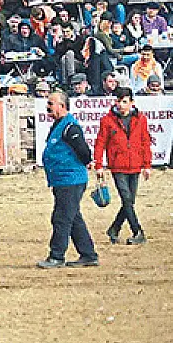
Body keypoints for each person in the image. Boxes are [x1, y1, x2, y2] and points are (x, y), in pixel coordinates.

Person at [37, 92, 98, 269]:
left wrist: (88, 162)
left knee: (61, 218)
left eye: (51, 103)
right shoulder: (60, 125)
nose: (48, 107)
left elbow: (84, 150)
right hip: (62, 179)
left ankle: (56, 256)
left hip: (70, 179)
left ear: (61, 106)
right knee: (73, 217)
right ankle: (88, 254)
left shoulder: (70, 127)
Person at [93, 87, 152, 245]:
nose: (120, 104)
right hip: (117, 166)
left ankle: (114, 228)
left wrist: (147, 165)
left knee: (129, 201)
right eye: (118, 101)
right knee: (127, 199)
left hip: (135, 165)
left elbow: (145, 141)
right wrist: (99, 165)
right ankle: (137, 231)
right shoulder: (107, 120)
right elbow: (100, 143)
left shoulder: (141, 119)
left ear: (132, 102)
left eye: (124, 101)